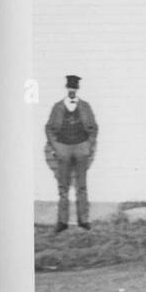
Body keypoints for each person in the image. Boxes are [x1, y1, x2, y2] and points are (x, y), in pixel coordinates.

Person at [44, 74, 98, 232]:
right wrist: (57, 147)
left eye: (75, 88)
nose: (72, 91)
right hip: (64, 149)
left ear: (78, 89)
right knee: (63, 187)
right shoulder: (58, 107)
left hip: (81, 147)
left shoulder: (85, 106)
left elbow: (94, 127)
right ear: (67, 89)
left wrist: (88, 145)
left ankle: (83, 220)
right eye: (70, 88)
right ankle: (62, 222)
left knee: (82, 186)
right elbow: (49, 128)